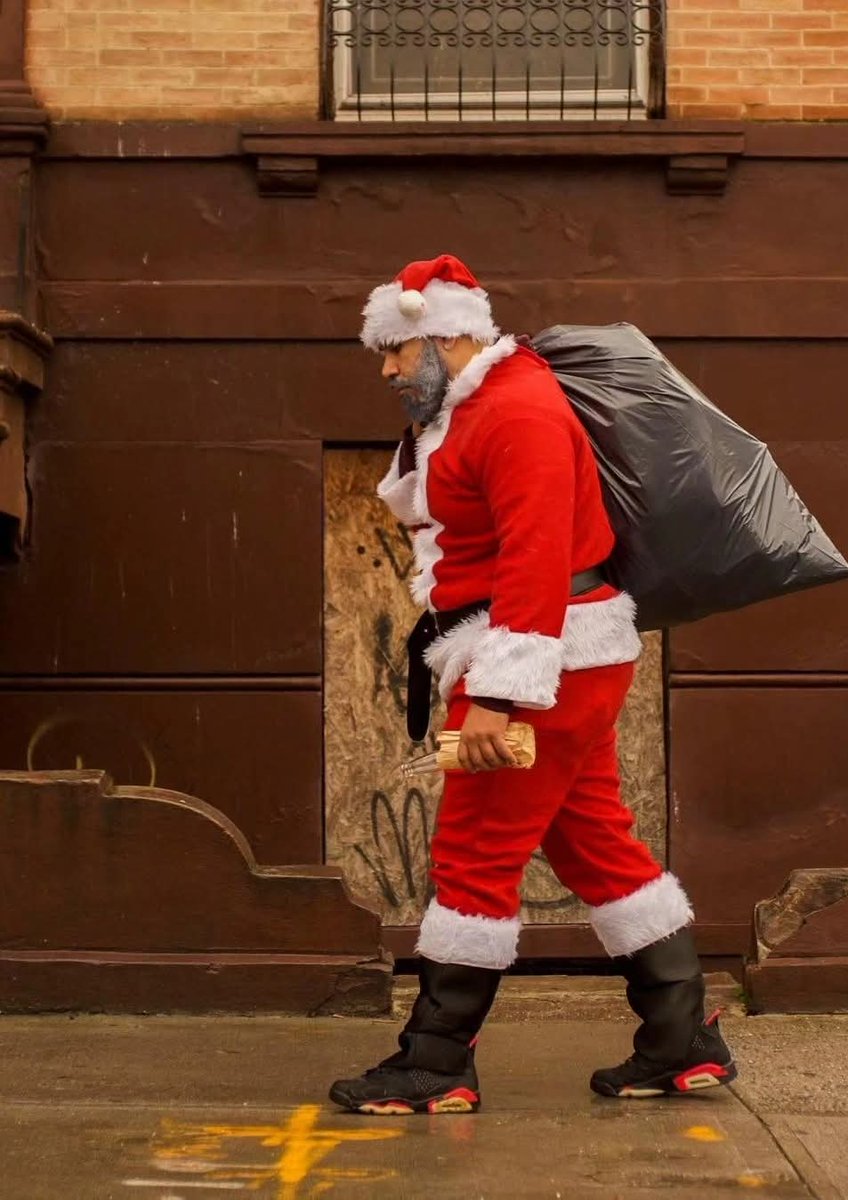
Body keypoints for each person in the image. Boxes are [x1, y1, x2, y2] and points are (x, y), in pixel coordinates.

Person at [329, 254, 736, 1115]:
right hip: (557, 655)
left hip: (537, 658)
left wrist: (498, 695)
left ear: (442, 337)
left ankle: (434, 1063)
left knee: (473, 856)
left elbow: (537, 556)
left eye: (396, 352)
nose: (387, 369)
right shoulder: (476, 406)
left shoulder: (517, 410)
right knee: (592, 840)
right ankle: (681, 1041)